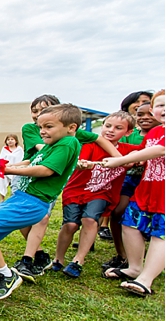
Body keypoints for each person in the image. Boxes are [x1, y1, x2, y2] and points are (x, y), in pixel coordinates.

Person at [0, 104, 82, 300]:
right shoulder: (53, 145)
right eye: (40, 127)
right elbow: (32, 162)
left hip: (33, 202)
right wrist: (2, 165)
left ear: (71, 128)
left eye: (49, 127)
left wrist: (9, 171)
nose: (42, 131)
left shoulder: (68, 143)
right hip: (22, 198)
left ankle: (6, 275)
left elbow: (46, 170)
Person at [13, 94, 120, 278]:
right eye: (35, 111)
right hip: (25, 175)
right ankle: (38, 253)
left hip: (48, 181)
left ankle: (28, 259)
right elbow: (44, 148)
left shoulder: (68, 131)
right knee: (21, 219)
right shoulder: (32, 128)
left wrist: (118, 158)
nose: (39, 115)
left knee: (42, 217)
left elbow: (98, 138)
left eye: (45, 111)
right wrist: (71, 161)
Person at [51, 111, 138, 278]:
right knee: (70, 225)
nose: (111, 130)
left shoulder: (128, 151)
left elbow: (149, 152)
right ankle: (58, 258)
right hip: (75, 190)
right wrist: (81, 163)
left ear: (128, 132)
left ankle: (78, 261)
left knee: (90, 219)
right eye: (107, 126)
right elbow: (76, 160)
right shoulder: (89, 145)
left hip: (102, 193)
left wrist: (136, 157)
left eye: (118, 128)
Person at [101, 90, 165, 296]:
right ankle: (134, 267)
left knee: (160, 235)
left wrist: (120, 161)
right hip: (147, 189)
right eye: (160, 105)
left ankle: (145, 279)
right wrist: (133, 158)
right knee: (129, 225)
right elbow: (143, 152)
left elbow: (159, 150)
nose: (163, 110)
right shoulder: (155, 132)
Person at [0, 134, 23, 201]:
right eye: (8, 139)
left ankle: (13, 198)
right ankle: (2, 199)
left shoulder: (19, 150)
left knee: (15, 183)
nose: (10, 141)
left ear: (16, 141)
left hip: (15, 169)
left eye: (12, 139)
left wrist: (14, 165)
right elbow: (1, 159)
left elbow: (21, 159)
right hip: (5, 169)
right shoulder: (4, 149)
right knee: (1, 180)